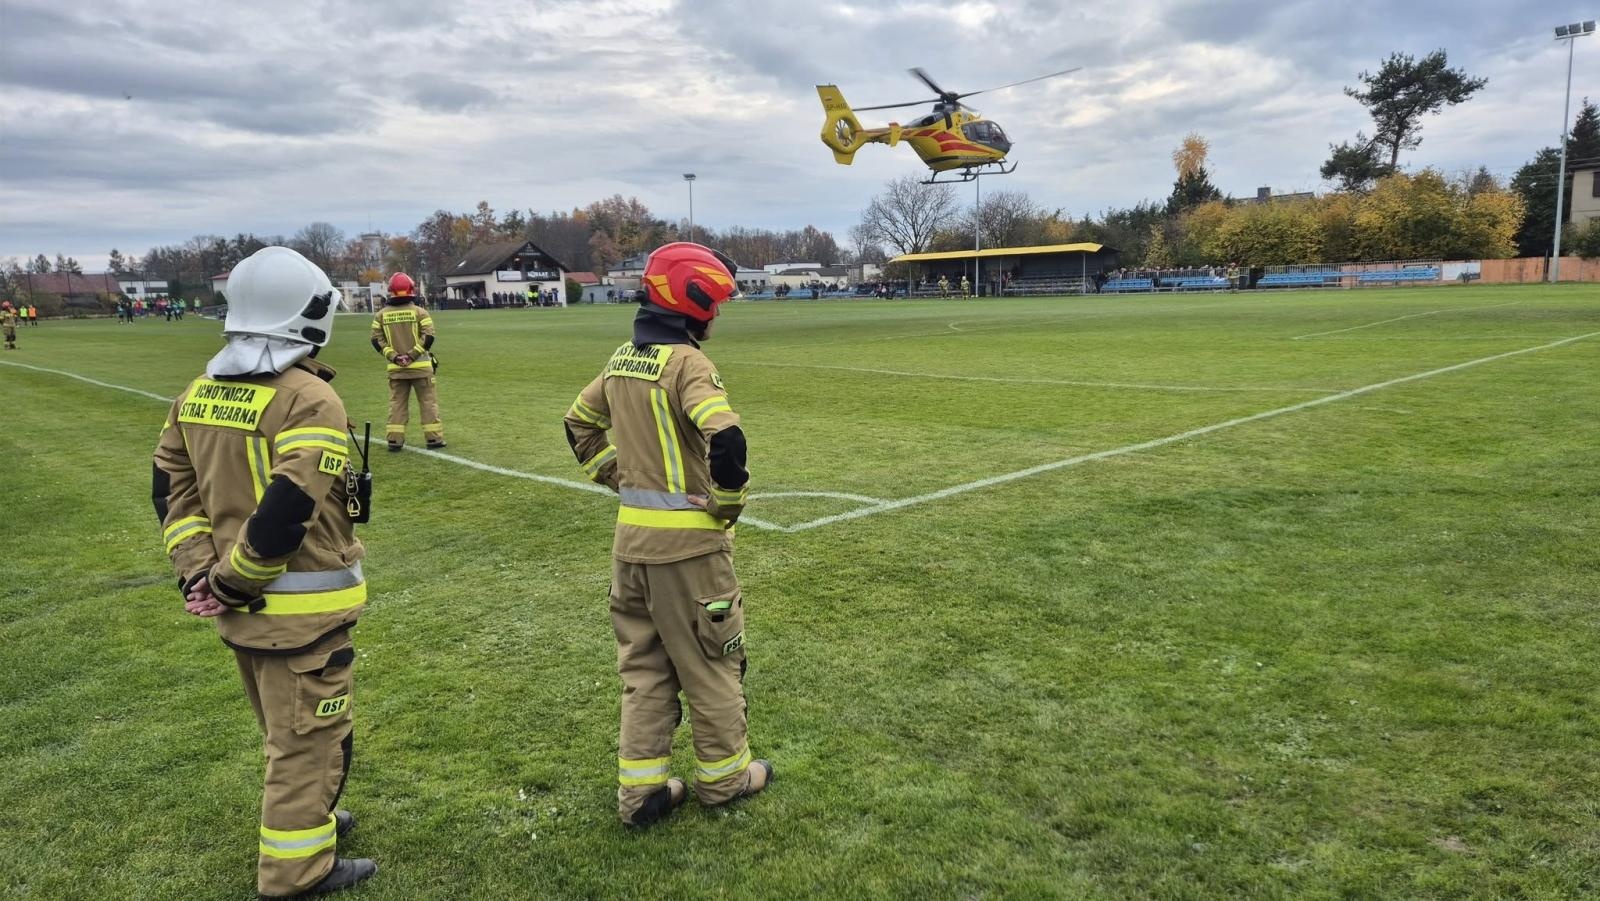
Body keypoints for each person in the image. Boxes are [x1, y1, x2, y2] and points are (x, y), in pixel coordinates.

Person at [151, 246, 377, 898]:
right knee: (307, 739)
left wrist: (200, 572)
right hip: (298, 616)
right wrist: (230, 580)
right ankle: (296, 870)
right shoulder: (311, 399)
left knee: (285, 730)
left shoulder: (195, 395)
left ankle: (315, 817)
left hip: (240, 616)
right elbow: (288, 511)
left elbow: (172, 492)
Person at [563, 242, 772, 828]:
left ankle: (642, 796)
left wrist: (618, 477)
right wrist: (728, 504)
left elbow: (577, 423)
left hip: (630, 549)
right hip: (690, 554)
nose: (719, 314)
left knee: (645, 669)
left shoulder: (622, 359)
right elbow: (726, 438)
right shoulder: (688, 364)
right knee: (713, 662)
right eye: (717, 301)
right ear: (694, 296)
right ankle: (726, 780)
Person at [369, 272, 444, 451]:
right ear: (412, 290)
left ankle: (394, 441)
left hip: (396, 369)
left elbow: (376, 340)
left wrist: (394, 356)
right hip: (421, 369)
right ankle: (433, 439)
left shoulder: (381, 315)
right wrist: (412, 355)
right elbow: (429, 337)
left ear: (391, 291)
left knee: (397, 406)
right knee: (428, 404)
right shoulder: (420, 312)